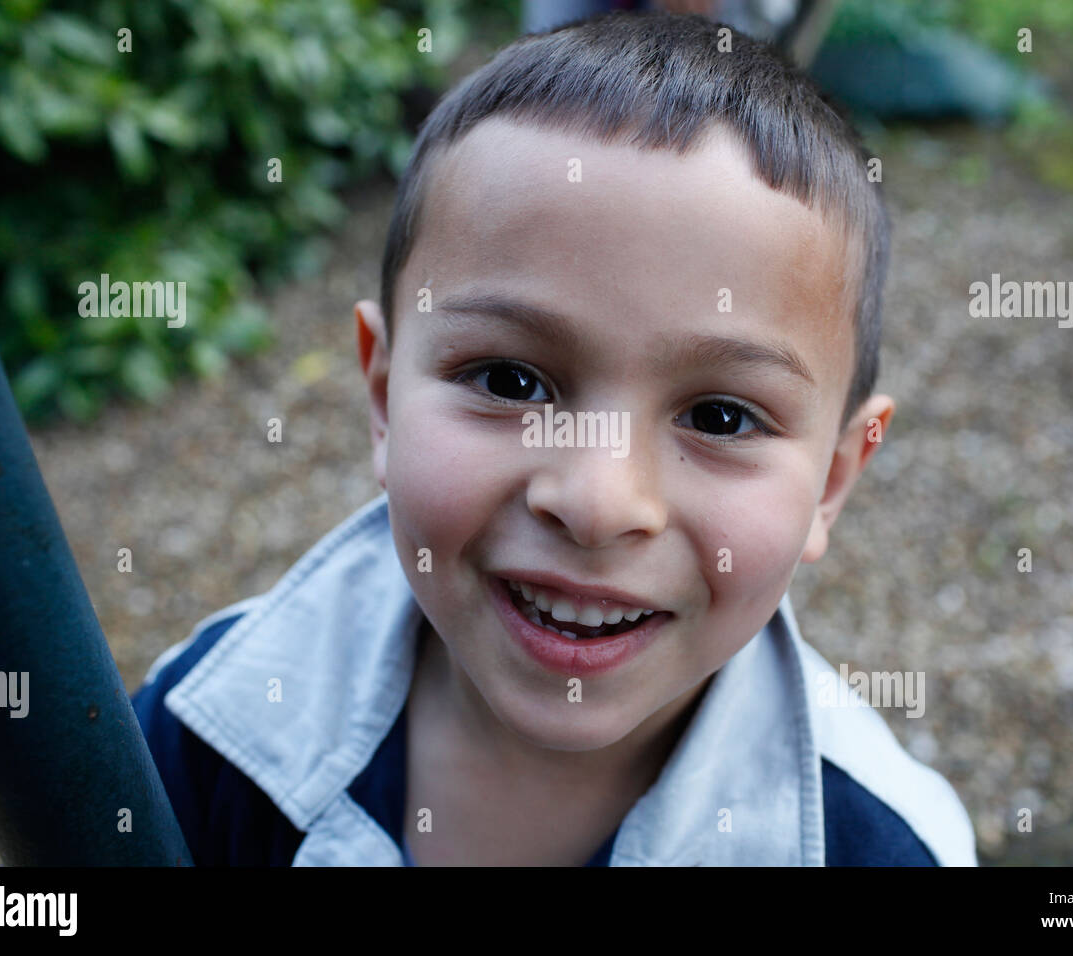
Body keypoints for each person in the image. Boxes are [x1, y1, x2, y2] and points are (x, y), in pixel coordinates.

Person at [132, 11, 977, 866]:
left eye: (719, 417)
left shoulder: (881, 847)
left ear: (832, 480)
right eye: (509, 381)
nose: (596, 502)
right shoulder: (202, 730)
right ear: (384, 396)